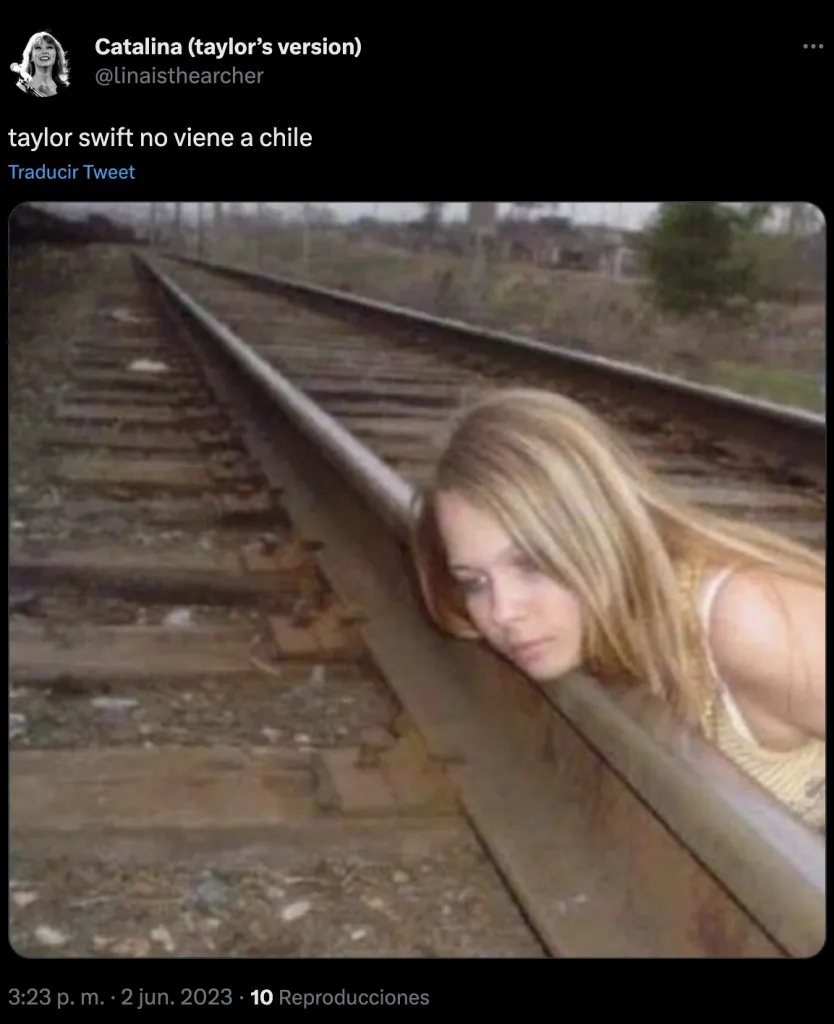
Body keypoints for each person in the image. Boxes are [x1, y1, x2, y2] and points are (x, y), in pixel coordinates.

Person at [409, 387, 825, 832]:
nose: (502, 612)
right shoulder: (607, 623)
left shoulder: (749, 619)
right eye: (474, 582)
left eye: (531, 564)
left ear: (596, 534)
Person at [13, 31, 70, 97]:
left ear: (56, 55)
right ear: (31, 57)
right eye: (38, 48)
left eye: (49, 47)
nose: (44, 51)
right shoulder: (22, 88)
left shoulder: (65, 87)